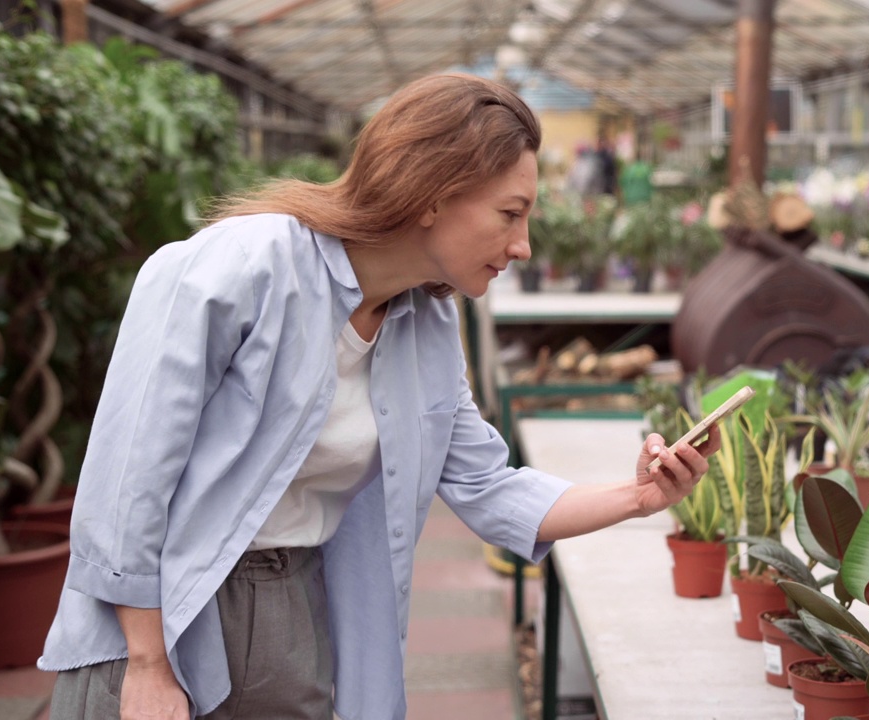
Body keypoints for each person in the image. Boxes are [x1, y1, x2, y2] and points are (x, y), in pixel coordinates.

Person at [38, 73, 722, 720]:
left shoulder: (425, 326)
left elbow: (488, 487)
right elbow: (127, 479)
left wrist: (638, 499)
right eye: (510, 214)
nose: (523, 245)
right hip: (160, 614)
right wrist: (150, 665)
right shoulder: (242, 267)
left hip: (294, 614)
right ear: (431, 193)